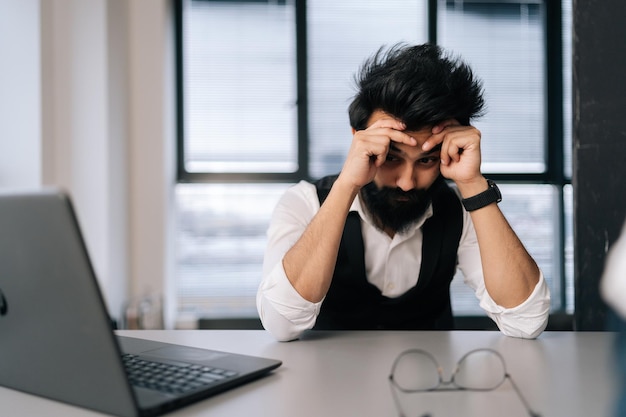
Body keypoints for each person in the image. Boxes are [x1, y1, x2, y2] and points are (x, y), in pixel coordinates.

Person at [256, 43, 551, 342]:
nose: (407, 183)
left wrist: (473, 183)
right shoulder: (303, 203)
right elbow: (281, 325)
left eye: (426, 160)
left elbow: (525, 323)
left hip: (433, 381)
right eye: (392, 158)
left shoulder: (461, 210)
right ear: (358, 140)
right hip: (323, 382)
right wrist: (346, 185)